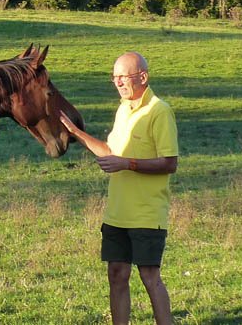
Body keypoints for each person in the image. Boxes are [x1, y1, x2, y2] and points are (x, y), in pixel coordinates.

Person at [59, 51, 179, 325]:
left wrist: (127, 163)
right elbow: (110, 152)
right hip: (117, 213)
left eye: (123, 76)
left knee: (150, 277)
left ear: (143, 77)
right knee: (116, 274)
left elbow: (169, 163)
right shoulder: (123, 109)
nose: (118, 83)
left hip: (147, 213)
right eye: (114, 77)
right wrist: (75, 132)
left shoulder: (160, 111)